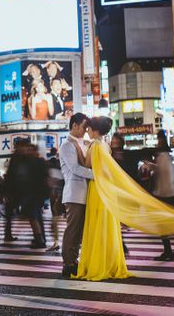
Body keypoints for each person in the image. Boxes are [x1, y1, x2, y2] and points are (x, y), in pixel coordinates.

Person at [74, 116, 132, 281]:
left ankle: (99, 264)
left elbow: (86, 164)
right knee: (106, 225)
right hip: (107, 189)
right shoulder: (105, 146)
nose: (87, 131)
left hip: (97, 189)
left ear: (96, 130)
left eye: (89, 129)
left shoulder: (95, 145)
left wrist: (79, 149)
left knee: (97, 225)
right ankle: (109, 262)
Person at [140, 132, 174, 261]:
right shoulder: (165, 156)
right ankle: (170, 250)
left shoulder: (163, 156)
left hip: (167, 196)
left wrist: (150, 165)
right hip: (168, 195)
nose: (158, 143)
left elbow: (164, 172)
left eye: (159, 141)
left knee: (169, 225)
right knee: (165, 225)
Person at [60, 113, 92, 278]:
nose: (85, 131)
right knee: (72, 231)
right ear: (74, 125)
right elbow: (75, 169)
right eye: (84, 127)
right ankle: (68, 263)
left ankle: (73, 260)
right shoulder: (67, 145)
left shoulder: (80, 143)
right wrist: (97, 174)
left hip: (82, 193)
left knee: (78, 232)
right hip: (74, 194)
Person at [19, 142, 50, 249]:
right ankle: (41, 238)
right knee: (37, 217)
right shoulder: (39, 161)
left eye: (29, 149)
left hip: (32, 193)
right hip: (38, 193)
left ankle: (40, 240)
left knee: (33, 217)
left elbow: (26, 178)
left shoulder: (31, 162)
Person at [47, 147, 64, 252]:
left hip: (55, 193)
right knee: (56, 218)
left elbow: (51, 180)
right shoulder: (60, 162)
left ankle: (56, 241)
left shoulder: (49, 163)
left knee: (55, 218)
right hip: (60, 192)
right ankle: (56, 241)